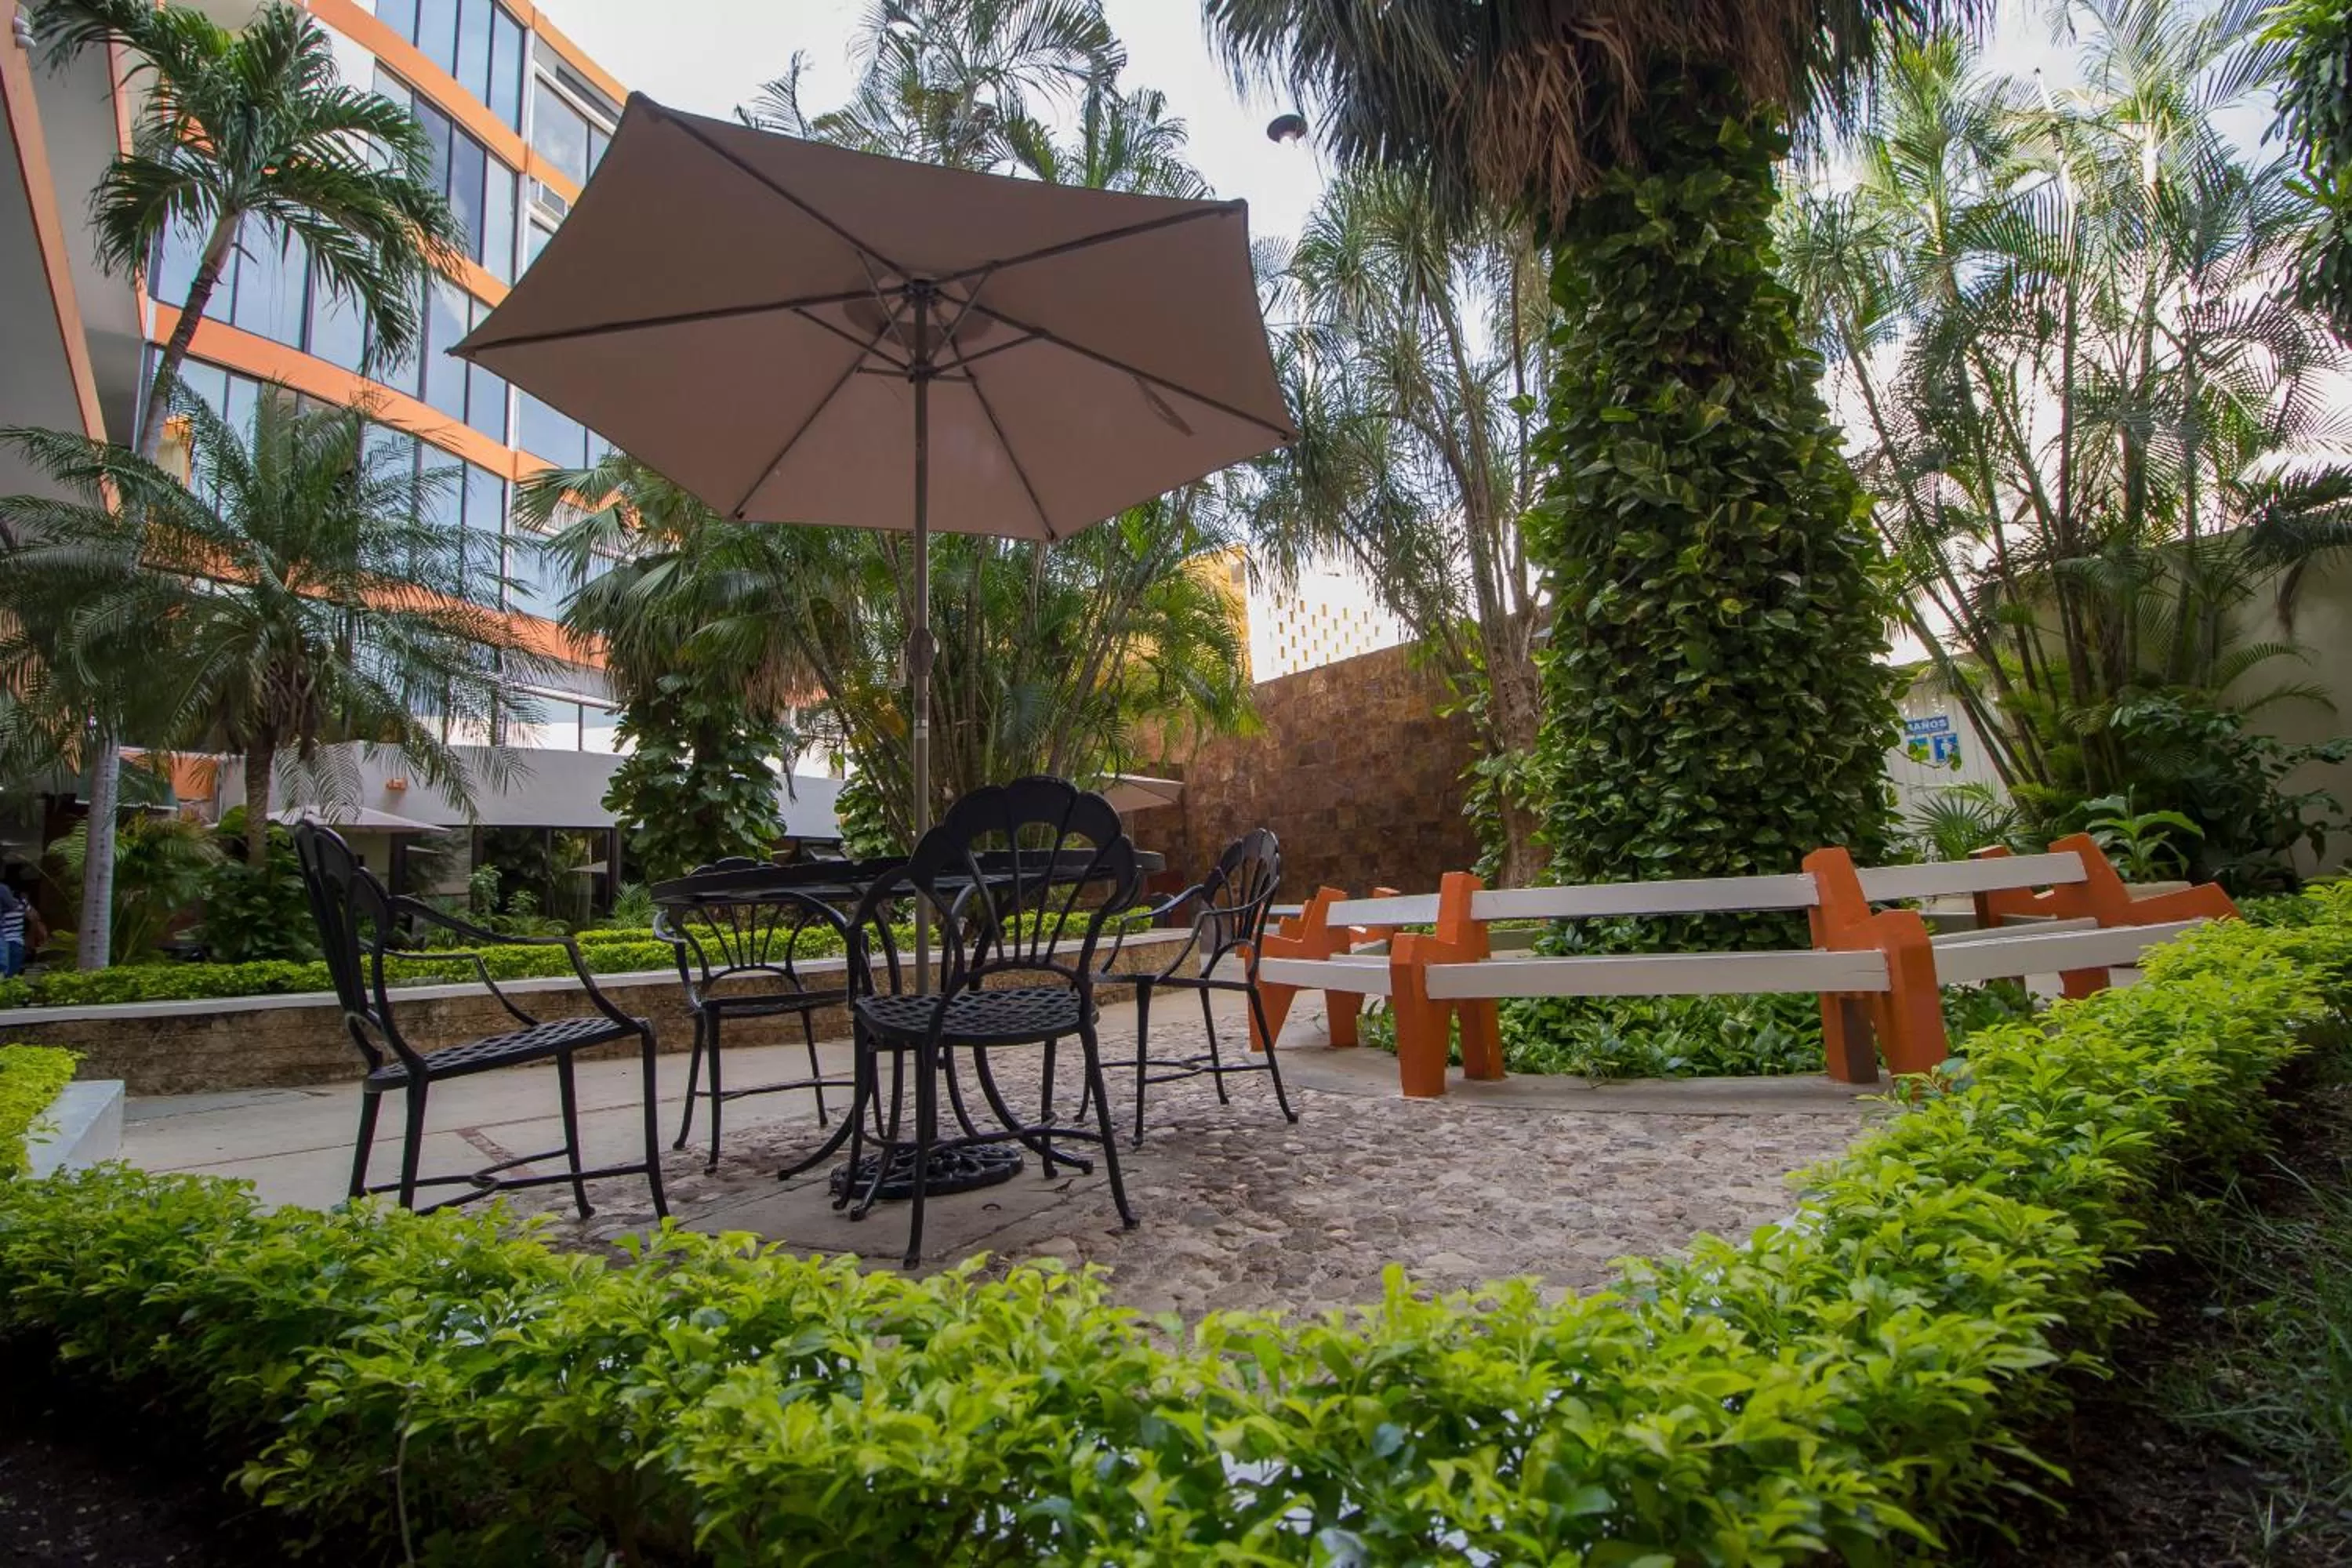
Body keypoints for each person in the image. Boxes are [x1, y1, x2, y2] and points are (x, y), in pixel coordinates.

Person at [0, 867, 46, 978]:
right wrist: (30, 938)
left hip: (7, 942)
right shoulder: (21, 901)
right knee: (10, 979)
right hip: (16, 942)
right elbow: (35, 917)